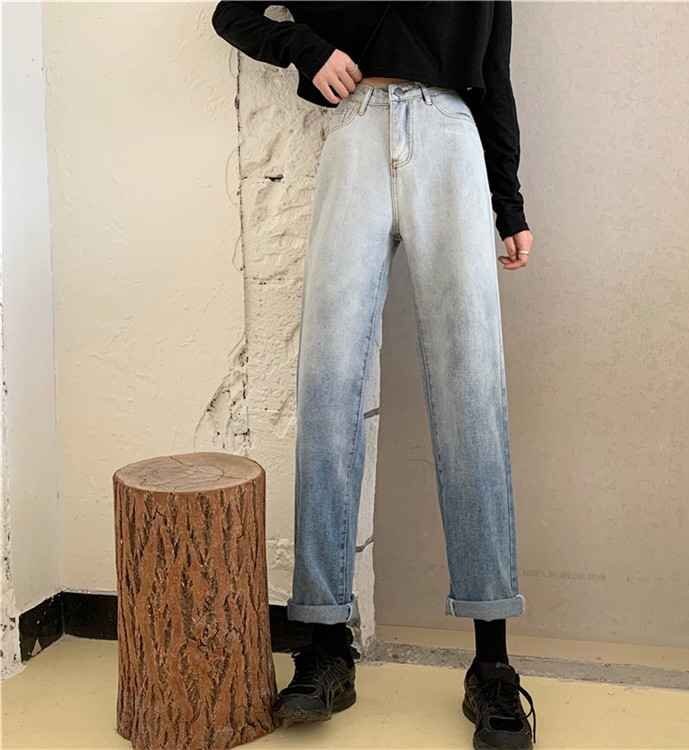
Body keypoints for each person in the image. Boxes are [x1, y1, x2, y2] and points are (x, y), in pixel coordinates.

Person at [211, 2, 536, 747]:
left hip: (451, 136)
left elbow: (494, 74)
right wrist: (306, 48)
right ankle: (326, 645)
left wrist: (509, 203)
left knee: (472, 391)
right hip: (356, 130)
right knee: (328, 385)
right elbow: (233, 13)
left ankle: (491, 664)